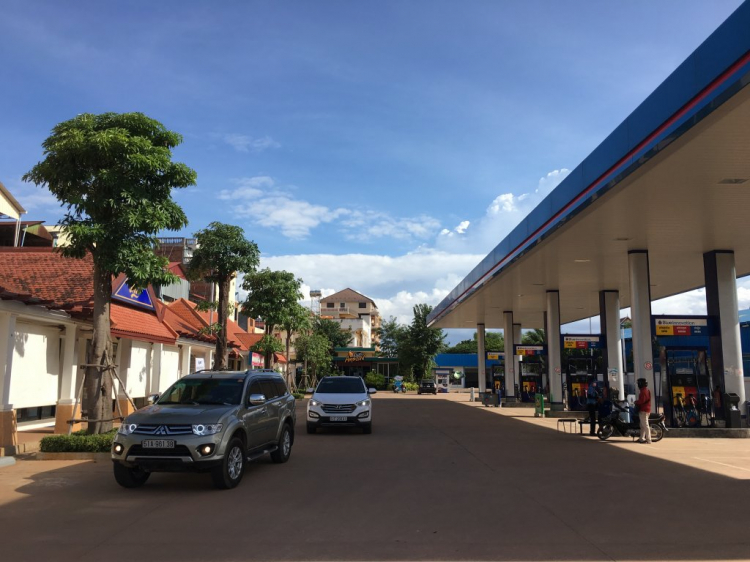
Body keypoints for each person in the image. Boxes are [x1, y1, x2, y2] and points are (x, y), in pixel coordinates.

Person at [634, 378, 652, 444]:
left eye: (639, 383)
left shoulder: (643, 391)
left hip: (644, 410)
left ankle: (648, 439)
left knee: (645, 425)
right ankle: (641, 438)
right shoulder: (646, 390)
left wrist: (636, 402)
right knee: (642, 426)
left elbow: (642, 401)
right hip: (646, 409)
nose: (638, 384)